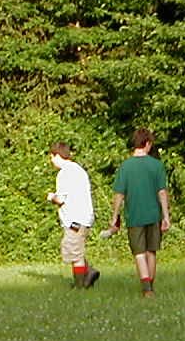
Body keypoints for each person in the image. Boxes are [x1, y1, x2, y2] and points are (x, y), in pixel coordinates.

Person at [106, 128, 170, 298]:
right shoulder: (157, 165)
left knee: (139, 252)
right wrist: (166, 216)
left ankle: (146, 288)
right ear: (147, 143)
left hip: (134, 215)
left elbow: (119, 194)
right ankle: (151, 285)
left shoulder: (125, 166)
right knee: (151, 251)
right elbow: (162, 192)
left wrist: (114, 216)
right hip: (154, 215)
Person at [46, 142, 99, 288]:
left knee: (74, 254)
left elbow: (61, 199)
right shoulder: (78, 169)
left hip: (75, 220)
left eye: (52, 157)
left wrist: (51, 197)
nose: (51, 161)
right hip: (84, 218)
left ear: (57, 156)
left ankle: (79, 285)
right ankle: (89, 272)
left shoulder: (64, 173)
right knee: (75, 249)